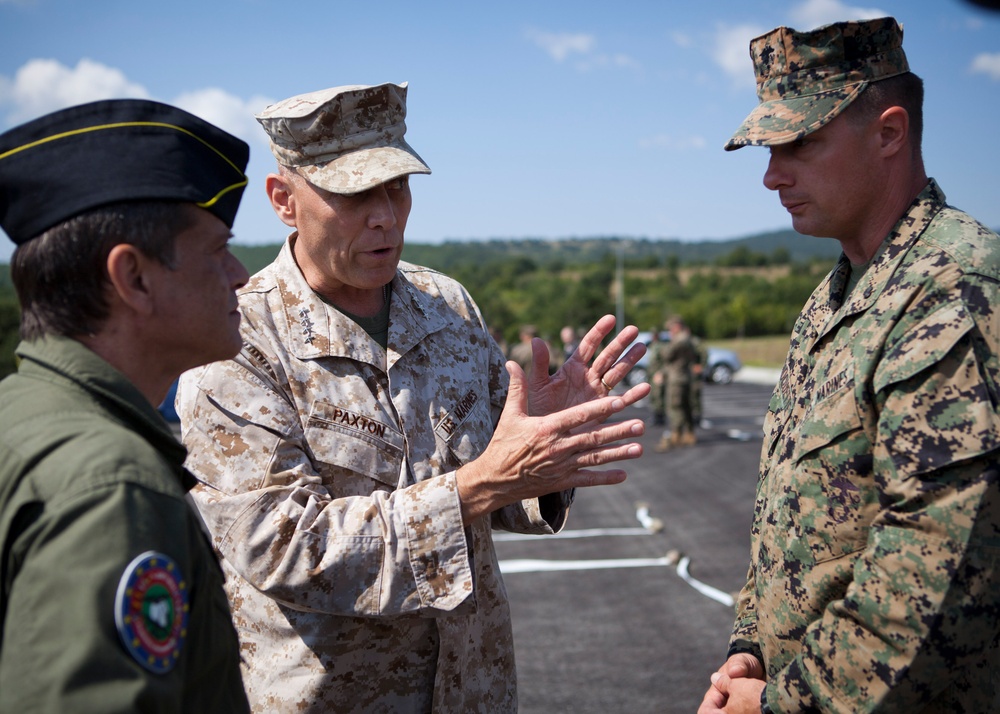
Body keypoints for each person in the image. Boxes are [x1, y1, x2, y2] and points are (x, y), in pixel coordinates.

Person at [177, 82, 649, 713]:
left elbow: (498, 483)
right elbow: (285, 548)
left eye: (396, 186)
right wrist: (477, 485)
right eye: (353, 193)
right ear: (284, 201)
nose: (385, 216)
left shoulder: (446, 307)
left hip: (471, 693)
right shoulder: (236, 340)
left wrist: (539, 440)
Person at [700, 17, 1000, 713]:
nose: (773, 175)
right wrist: (748, 647)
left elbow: (935, 575)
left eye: (799, 143)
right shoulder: (833, 301)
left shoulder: (955, 289)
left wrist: (781, 704)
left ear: (889, 133)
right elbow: (790, 524)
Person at [0, 100, 251, 711]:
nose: (240, 274)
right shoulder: (113, 484)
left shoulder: (20, 415)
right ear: (134, 278)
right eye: (217, 250)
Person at [656, 316, 698, 451]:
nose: (670, 331)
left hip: (677, 378)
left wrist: (663, 348)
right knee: (685, 406)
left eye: (671, 328)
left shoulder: (680, 339)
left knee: (676, 406)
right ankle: (689, 433)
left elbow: (667, 354)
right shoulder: (688, 339)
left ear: (677, 326)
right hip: (684, 376)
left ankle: (676, 434)